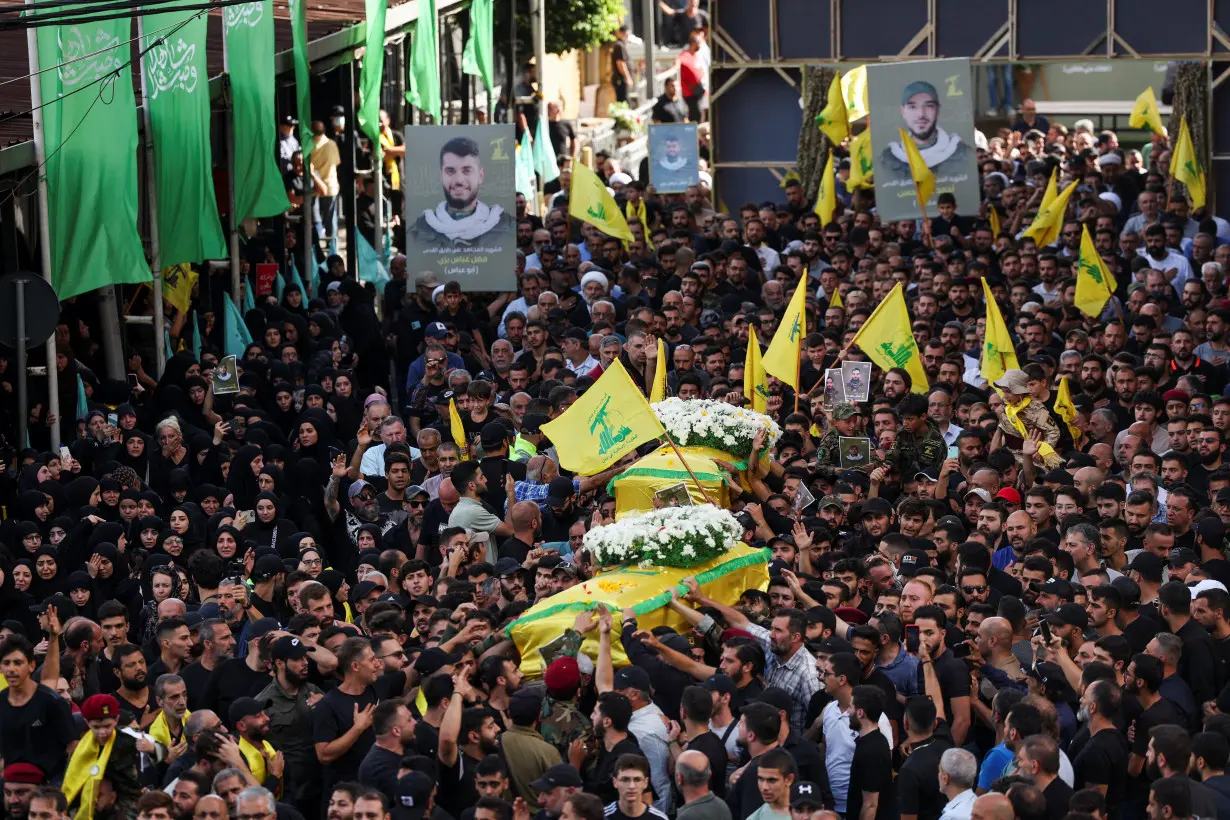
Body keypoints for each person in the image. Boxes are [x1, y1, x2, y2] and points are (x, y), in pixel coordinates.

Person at [411, 137, 514, 248]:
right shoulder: (419, 230)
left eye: (467, 171)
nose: (459, 180)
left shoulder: (506, 226)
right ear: (441, 176)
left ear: (480, 175)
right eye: (450, 171)